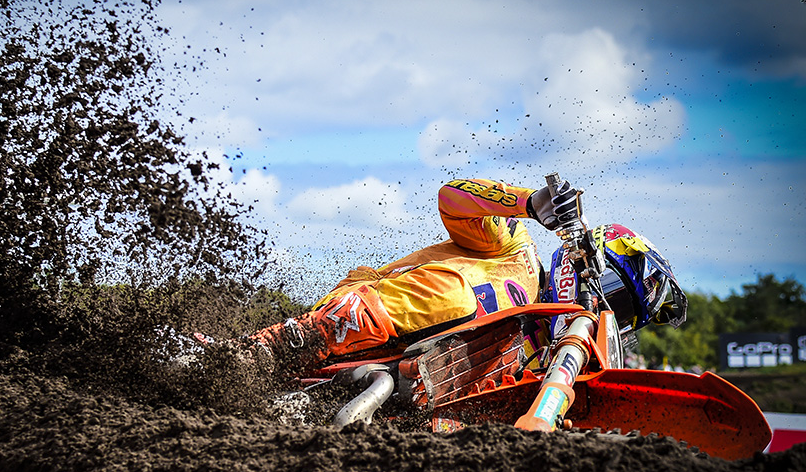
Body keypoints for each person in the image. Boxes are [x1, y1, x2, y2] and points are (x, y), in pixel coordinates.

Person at [243, 177, 687, 379]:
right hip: (365, 311)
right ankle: (267, 350)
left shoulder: (545, 357)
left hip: (404, 386)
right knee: (460, 297)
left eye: (624, 314)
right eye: (614, 294)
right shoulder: (516, 250)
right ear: (591, 261)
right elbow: (452, 198)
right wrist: (529, 203)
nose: (606, 309)